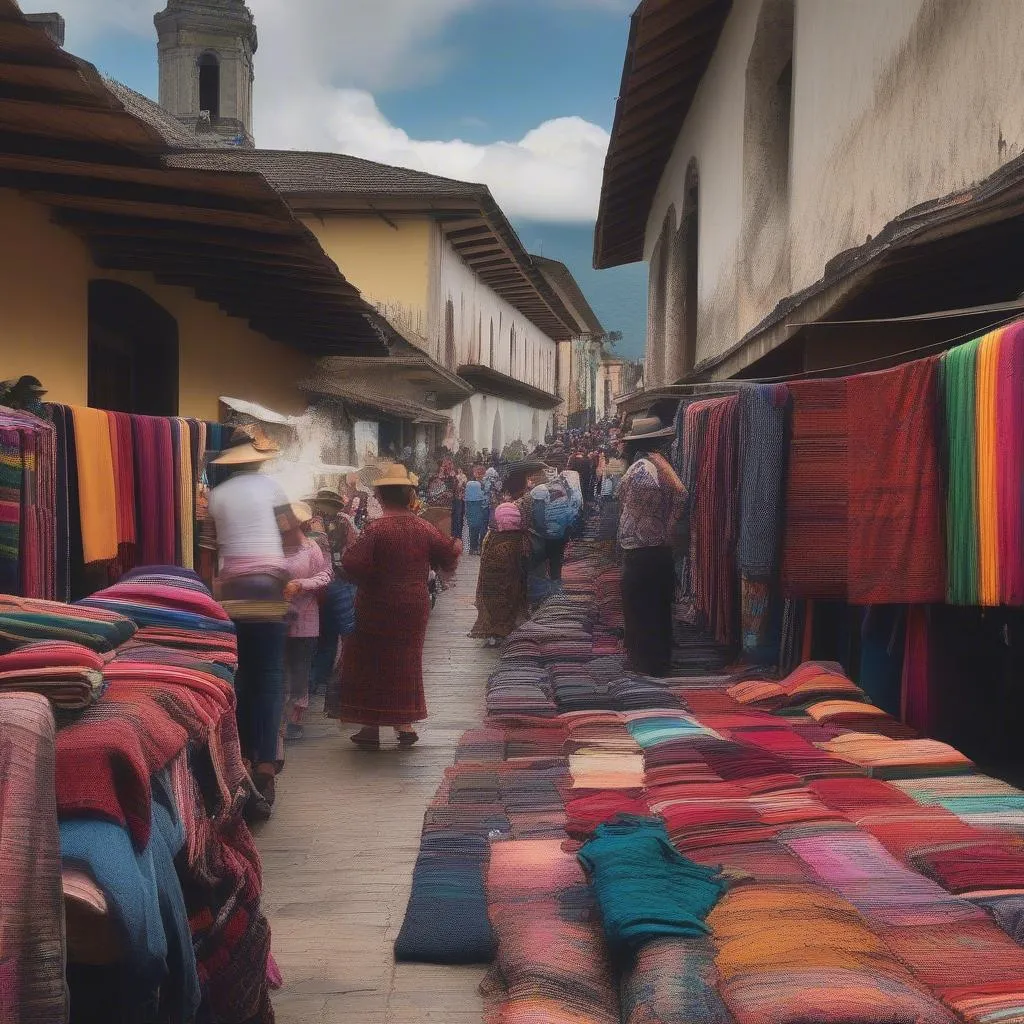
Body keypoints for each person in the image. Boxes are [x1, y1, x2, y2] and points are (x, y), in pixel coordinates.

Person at [328, 465, 461, 749]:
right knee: (405, 661)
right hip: (413, 605)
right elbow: (449, 555)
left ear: (380, 496)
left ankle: (370, 728)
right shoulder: (424, 527)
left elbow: (353, 564)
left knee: (370, 662)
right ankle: (404, 725)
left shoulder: (376, 529)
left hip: (376, 604)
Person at [208, 428, 290, 816]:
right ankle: (266, 764)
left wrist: (215, 592)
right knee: (271, 675)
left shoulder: (216, 496)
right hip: (269, 586)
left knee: (239, 675)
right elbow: (291, 534)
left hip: (233, 590)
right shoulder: (272, 488)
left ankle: (239, 756)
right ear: (256, 459)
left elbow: (208, 553)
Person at [617, 417, 686, 678]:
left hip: (642, 549)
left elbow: (631, 499)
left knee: (641, 608)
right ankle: (657, 661)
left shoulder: (642, 469)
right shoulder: (662, 465)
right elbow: (681, 495)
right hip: (658, 548)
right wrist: (668, 525)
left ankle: (646, 664)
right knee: (658, 609)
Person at [279, 502, 332, 742]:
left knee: (300, 670)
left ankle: (295, 718)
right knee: (279, 670)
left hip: (306, 619)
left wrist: (301, 584)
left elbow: (324, 575)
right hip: (276, 620)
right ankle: (279, 718)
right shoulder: (272, 547)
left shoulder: (311, 548)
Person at [305, 489, 360, 695]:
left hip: (319, 583)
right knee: (344, 631)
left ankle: (317, 679)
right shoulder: (342, 522)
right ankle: (334, 677)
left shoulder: (309, 522)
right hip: (338, 582)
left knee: (325, 633)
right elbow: (353, 548)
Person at [470, 502, 530, 646]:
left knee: (494, 602)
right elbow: (525, 559)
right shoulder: (521, 539)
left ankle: (495, 632)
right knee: (510, 599)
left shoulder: (491, 538)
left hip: (491, 583)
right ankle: (505, 630)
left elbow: (483, 559)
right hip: (511, 581)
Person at [464, 475, 488, 554]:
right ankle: (476, 548)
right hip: (478, 511)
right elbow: (483, 498)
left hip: (470, 513)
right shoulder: (479, 487)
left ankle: (472, 548)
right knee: (477, 529)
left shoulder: (468, 488)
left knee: (472, 530)